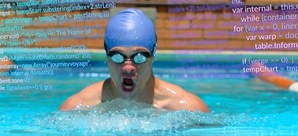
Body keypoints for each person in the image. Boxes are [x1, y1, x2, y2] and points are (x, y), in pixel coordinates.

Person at [59, 8, 210, 112]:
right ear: (106, 56)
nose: (128, 67)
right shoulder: (77, 108)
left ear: (153, 56)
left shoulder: (187, 107)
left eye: (139, 56)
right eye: (118, 56)